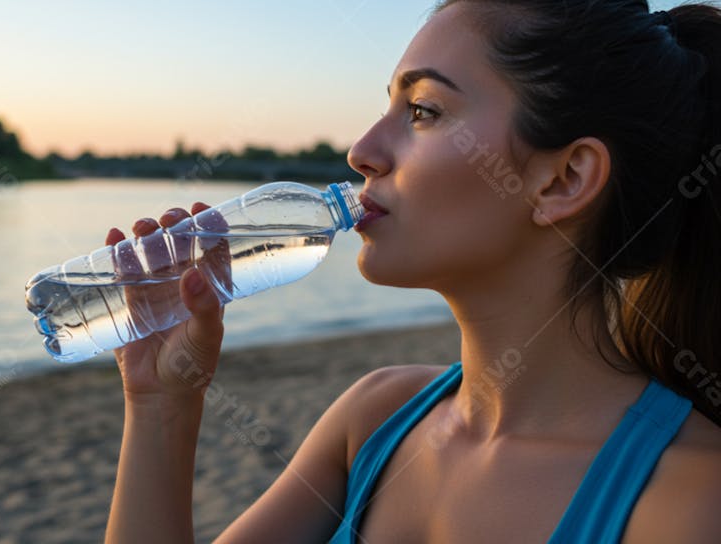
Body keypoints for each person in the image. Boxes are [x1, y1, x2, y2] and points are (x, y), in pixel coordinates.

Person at [103, 1, 721, 542]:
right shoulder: (374, 419)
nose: (362, 152)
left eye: (423, 110)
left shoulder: (690, 503)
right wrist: (161, 402)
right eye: (390, 106)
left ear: (564, 179)